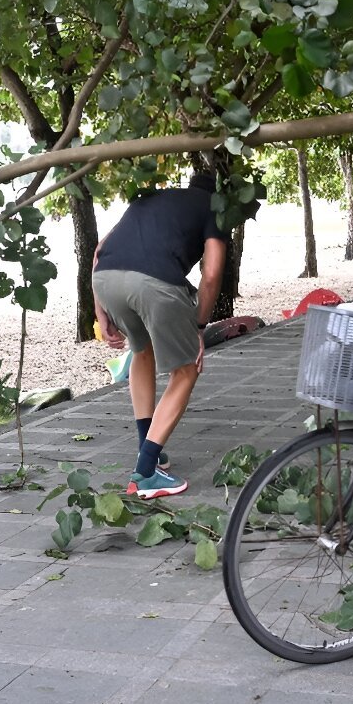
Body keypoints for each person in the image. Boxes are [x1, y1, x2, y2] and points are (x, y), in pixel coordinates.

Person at [92, 171, 228, 499]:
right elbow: (211, 275)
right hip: (154, 284)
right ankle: (146, 472)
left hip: (106, 279)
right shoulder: (216, 209)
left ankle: (147, 449)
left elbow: (98, 251)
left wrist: (99, 311)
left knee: (141, 351)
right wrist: (198, 327)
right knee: (186, 369)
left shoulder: (152, 197)